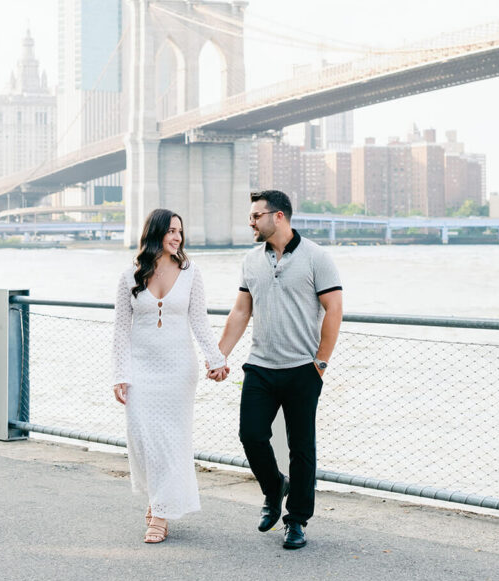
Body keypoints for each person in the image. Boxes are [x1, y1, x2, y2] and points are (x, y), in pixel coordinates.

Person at [211, 189, 343, 550]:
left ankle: (296, 520)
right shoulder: (251, 260)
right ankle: (273, 488)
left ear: (279, 216)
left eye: (256, 216)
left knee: (301, 448)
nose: (251, 222)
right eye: (251, 217)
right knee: (251, 435)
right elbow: (241, 311)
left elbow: (333, 308)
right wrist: (219, 356)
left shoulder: (317, 257)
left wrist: (320, 363)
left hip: (303, 368)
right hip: (260, 366)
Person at [112, 208, 228, 543]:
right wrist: (120, 374)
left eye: (180, 231)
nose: (177, 237)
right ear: (156, 233)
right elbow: (121, 330)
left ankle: (160, 515)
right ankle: (157, 499)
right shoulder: (130, 275)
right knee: (142, 439)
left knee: (170, 442)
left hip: (178, 370)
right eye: (171, 231)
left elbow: (199, 321)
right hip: (140, 370)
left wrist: (216, 358)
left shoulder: (191, 273)